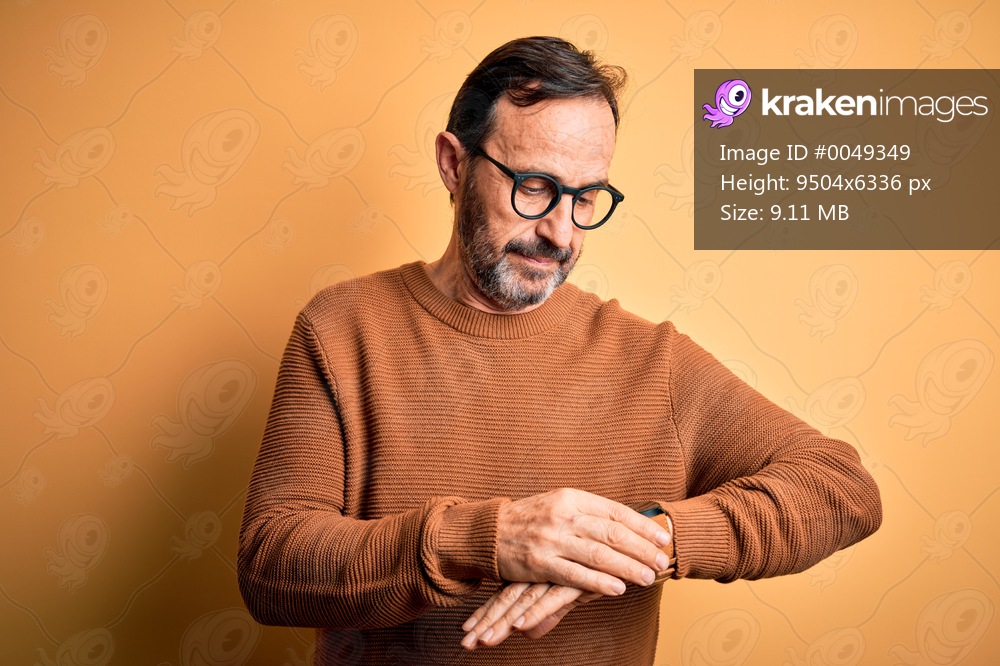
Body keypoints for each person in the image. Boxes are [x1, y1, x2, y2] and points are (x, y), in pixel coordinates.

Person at [238, 36, 882, 665]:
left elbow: (842, 488)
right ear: (453, 164)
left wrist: (632, 541)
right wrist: (492, 539)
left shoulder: (651, 361)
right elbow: (272, 565)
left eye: (586, 197)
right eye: (536, 186)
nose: (560, 232)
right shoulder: (344, 328)